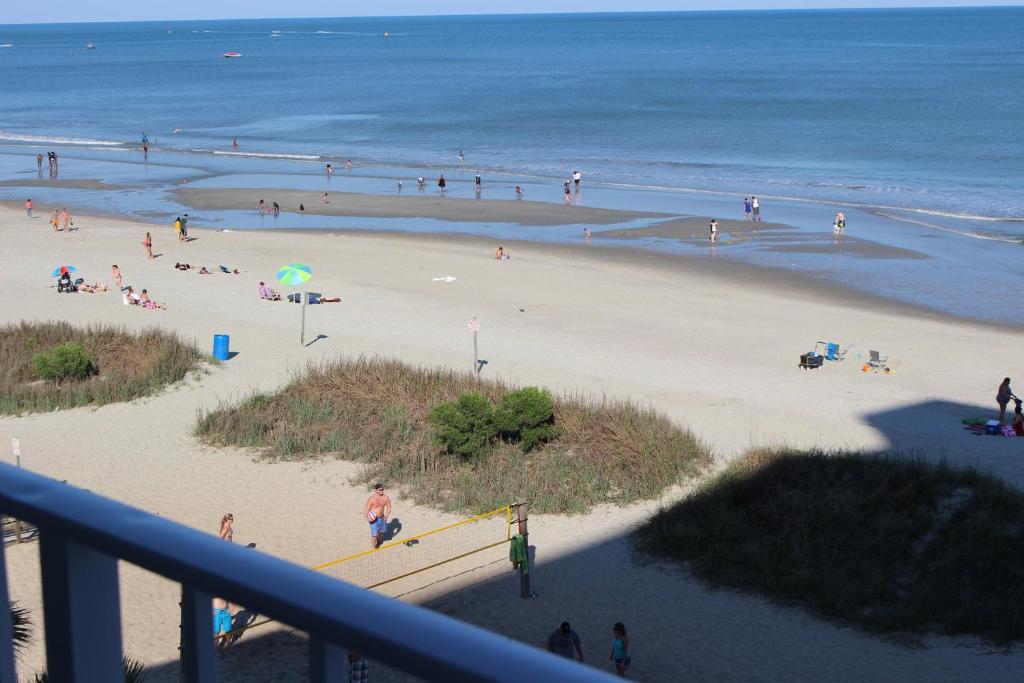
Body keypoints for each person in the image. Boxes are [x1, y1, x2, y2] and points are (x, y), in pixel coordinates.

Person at [363, 483, 392, 549]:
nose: (382, 491)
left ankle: (378, 541)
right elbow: (366, 510)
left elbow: (389, 508)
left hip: (382, 518)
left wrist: (386, 516)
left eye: (382, 489)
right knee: (374, 534)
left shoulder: (386, 498)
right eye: (380, 490)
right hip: (374, 519)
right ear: (376, 490)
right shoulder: (371, 499)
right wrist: (367, 518)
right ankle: (373, 547)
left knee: (382, 532)